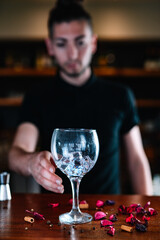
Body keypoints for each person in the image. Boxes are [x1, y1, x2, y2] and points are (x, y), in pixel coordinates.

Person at [8, 0, 153, 195]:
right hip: (55, 215)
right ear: (50, 46)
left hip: (108, 213)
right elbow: (16, 152)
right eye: (61, 44)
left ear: (93, 43)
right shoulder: (37, 95)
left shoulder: (120, 94)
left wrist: (150, 213)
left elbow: (137, 160)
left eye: (80, 42)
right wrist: (31, 162)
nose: (73, 53)